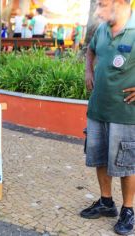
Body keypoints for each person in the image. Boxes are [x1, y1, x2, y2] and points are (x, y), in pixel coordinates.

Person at [82, 0, 135, 235]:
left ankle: (129, 210)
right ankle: (106, 202)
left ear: (121, 3)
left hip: (125, 113)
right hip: (98, 109)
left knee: (126, 163)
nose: (98, 9)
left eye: (103, 3)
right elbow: (91, 50)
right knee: (100, 157)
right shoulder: (102, 28)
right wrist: (88, 71)